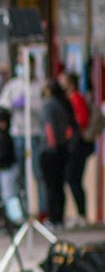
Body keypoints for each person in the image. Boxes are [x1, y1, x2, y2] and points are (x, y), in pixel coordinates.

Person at [0, 56, 44, 221]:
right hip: (18, 134)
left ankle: (42, 211)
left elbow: (42, 108)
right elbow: (2, 104)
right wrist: (13, 105)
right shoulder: (14, 85)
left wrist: (29, 105)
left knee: (38, 173)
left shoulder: (38, 86)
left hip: (35, 134)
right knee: (20, 176)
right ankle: (22, 212)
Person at [39, 79, 79, 230]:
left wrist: (51, 144)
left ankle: (53, 217)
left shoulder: (49, 105)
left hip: (51, 149)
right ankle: (59, 217)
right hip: (63, 148)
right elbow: (71, 127)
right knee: (59, 185)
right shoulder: (63, 104)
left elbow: (48, 126)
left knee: (51, 185)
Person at [60, 72, 91, 227]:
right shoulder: (70, 99)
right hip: (73, 144)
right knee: (72, 178)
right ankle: (80, 213)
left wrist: (70, 132)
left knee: (74, 178)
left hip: (78, 145)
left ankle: (82, 213)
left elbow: (81, 120)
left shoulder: (76, 98)